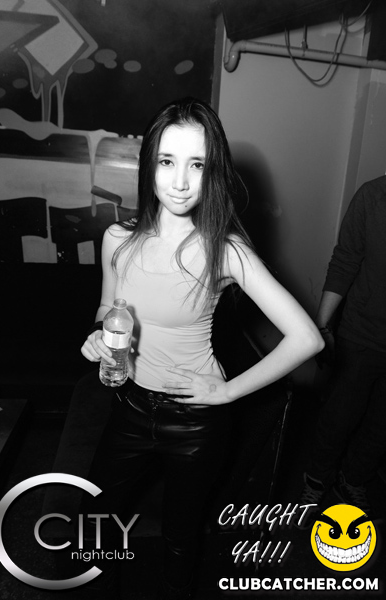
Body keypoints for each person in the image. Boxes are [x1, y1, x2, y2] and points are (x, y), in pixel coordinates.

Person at [80, 97, 324, 599]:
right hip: (129, 406)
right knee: (95, 522)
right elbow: (108, 306)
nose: (180, 181)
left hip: (195, 422)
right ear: (148, 164)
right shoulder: (116, 239)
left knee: (180, 536)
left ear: (213, 172)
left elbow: (307, 338)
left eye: (197, 164)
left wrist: (228, 392)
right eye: (167, 161)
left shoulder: (225, 250)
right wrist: (101, 334)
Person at [301, 175, 386, 517]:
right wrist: (321, 328)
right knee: (339, 418)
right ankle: (316, 481)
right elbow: (345, 261)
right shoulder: (373, 196)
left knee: (381, 427)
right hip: (361, 335)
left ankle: (353, 481)